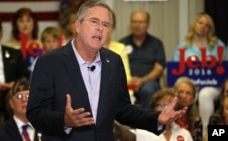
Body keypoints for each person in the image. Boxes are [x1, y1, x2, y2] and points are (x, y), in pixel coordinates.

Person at [26, 1, 186, 141]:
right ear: (78, 25)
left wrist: (157, 117)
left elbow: (122, 109)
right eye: (94, 21)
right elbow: (35, 113)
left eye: (105, 24)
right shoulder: (50, 61)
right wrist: (64, 120)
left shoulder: (113, 61)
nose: (100, 29)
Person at [172, 13, 226, 137]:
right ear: (194, 24)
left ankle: (207, 133)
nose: (203, 26)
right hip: (190, 84)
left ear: (210, 29)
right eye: (200, 23)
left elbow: (223, 68)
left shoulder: (218, 46)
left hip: (213, 85)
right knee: (186, 93)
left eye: (207, 25)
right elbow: (176, 72)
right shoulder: (183, 46)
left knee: (204, 94)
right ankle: (180, 127)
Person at [119, 10, 166, 108]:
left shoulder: (156, 44)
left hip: (149, 82)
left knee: (148, 90)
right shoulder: (122, 44)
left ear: (148, 24)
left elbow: (159, 69)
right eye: (134, 22)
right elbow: (118, 65)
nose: (137, 25)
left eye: (140, 22)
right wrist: (130, 80)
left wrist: (143, 80)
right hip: (127, 82)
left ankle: (146, 121)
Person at [174, 77, 202, 141]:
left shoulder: (196, 120)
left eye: (188, 93)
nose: (184, 96)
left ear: (193, 99)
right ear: (174, 93)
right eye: (181, 92)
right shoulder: (167, 116)